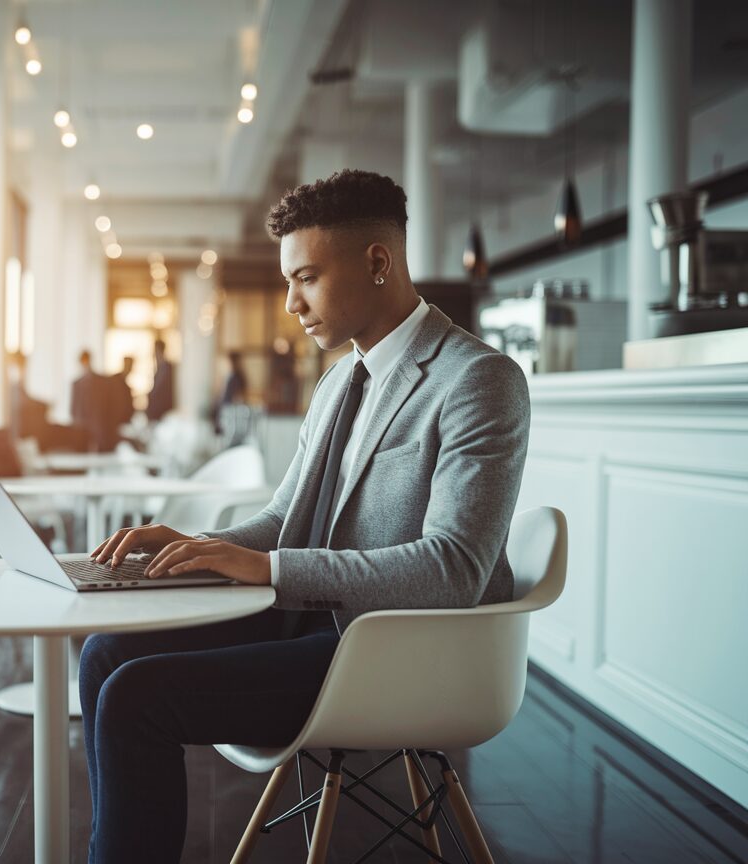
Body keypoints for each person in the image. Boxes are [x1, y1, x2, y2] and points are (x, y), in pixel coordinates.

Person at [78, 169, 531, 863]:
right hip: (320, 625)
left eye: (307, 277)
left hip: (396, 651)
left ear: (377, 262)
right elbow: (286, 519)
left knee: (137, 695)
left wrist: (265, 568)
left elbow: (453, 572)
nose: (290, 302)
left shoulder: (476, 380)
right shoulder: (339, 381)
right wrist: (199, 546)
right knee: (106, 651)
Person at [145, 338, 175, 423]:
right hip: (157, 414)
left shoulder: (167, 368)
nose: (153, 353)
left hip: (163, 413)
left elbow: (161, 392)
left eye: (154, 350)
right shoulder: (159, 369)